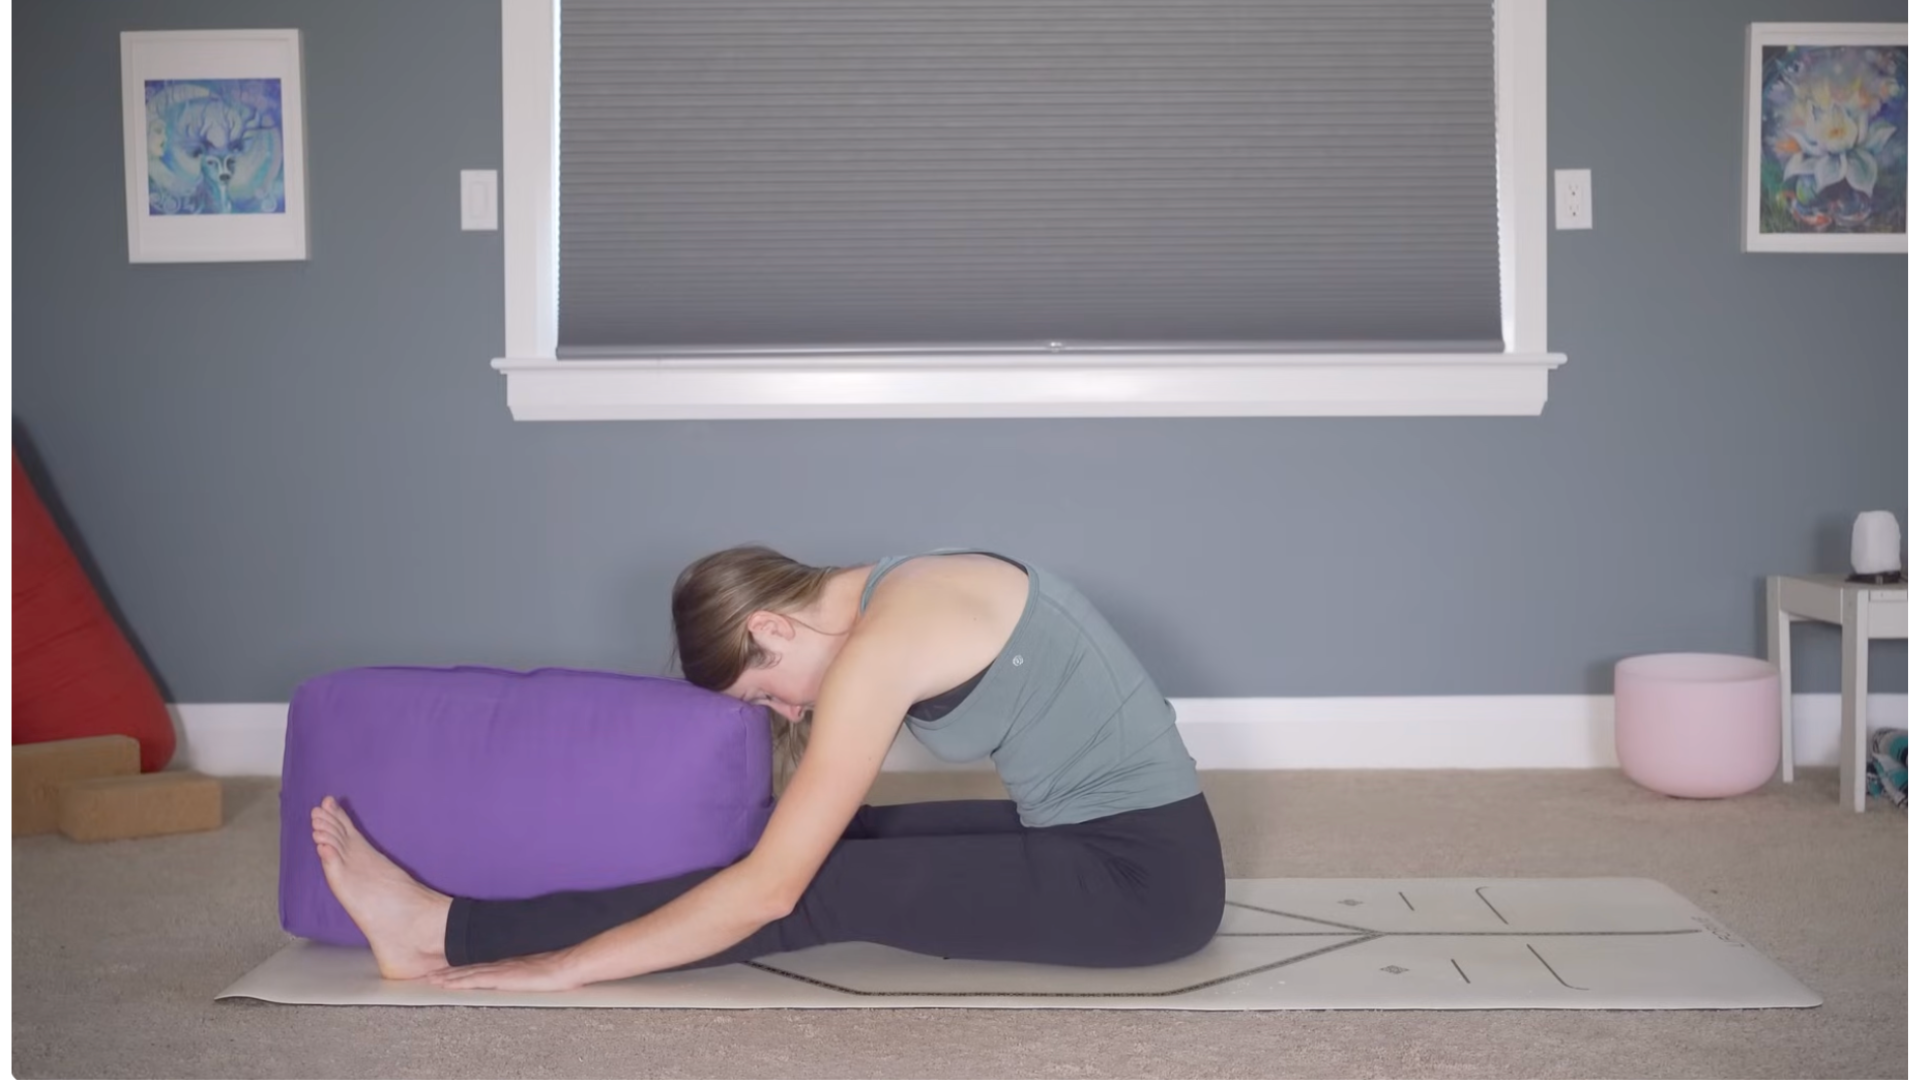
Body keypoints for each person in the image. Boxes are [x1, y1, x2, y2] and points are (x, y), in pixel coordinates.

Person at [310, 546, 1225, 991]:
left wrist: (567, 970)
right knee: (810, 843)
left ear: (771, 628)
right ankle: (473, 918)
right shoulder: (903, 581)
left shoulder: (880, 645)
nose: (789, 710)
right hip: (1101, 843)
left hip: (1144, 887)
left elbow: (772, 895)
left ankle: (445, 931)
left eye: (767, 690)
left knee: (809, 883)